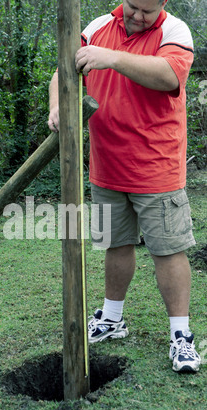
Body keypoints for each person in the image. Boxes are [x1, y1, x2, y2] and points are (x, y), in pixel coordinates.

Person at [48, 0, 202, 373]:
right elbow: (61, 72)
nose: (136, 15)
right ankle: (112, 318)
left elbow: (167, 75)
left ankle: (181, 337)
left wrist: (111, 58)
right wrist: (56, 105)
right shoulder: (100, 25)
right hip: (107, 167)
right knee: (115, 245)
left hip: (156, 168)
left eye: (146, 11)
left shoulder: (175, 32)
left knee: (168, 250)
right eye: (133, 5)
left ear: (163, 4)